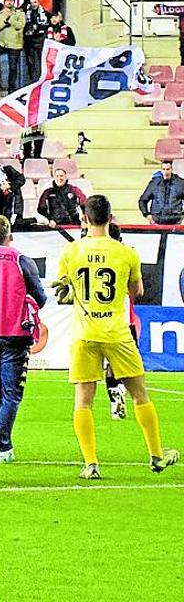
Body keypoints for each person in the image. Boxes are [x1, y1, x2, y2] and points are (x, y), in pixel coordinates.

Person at [55, 195, 178, 479]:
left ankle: (91, 464)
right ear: (111, 218)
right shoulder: (126, 253)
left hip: (84, 333)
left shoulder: (71, 252)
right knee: (140, 395)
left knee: (83, 401)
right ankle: (157, 456)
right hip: (117, 333)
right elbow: (136, 291)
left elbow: (63, 290)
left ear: (85, 219)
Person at [0, 216, 47, 464]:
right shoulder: (21, 260)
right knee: (12, 394)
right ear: (10, 234)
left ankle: (3, 447)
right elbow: (40, 296)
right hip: (15, 332)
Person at [0, 0, 26, 94]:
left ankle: (11, 89)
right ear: (4, 2)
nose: (9, 2)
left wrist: (10, 19)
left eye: (11, 0)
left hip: (15, 44)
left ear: (14, 2)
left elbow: (20, 25)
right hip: (2, 43)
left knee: (13, 67)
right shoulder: (0, 14)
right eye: (7, 1)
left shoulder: (19, 13)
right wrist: (4, 22)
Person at [139, 161, 184, 225]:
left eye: (168, 169)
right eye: (163, 169)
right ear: (161, 170)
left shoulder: (180, 183)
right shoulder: (154, 183)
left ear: (171, 169)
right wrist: (147, 215)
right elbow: (142, 200)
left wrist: (182, 216)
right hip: (156, 222)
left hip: (175, 222)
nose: (166, 172)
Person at [0, 154, 26, 222]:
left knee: (13, 225)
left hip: (13, 202)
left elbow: (21, 179)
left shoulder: (7, 169)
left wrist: (10, 185)